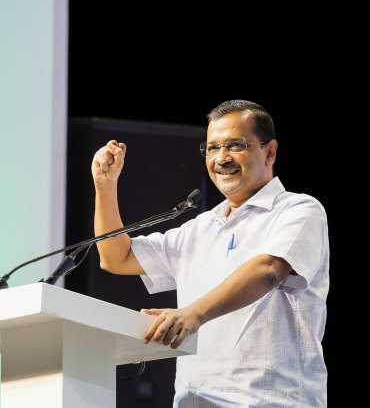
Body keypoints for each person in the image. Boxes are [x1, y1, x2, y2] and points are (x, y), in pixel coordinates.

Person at [92, 100, 329, 407]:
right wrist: (105, 185)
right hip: (195, 401)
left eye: (235, 145)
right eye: (212, 148)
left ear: (270, 152)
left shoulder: (298, 210)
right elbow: (116, 257)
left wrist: (193, 314)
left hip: (270, 400)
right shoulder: (200, 228)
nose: (221, 158)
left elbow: (268, 270)